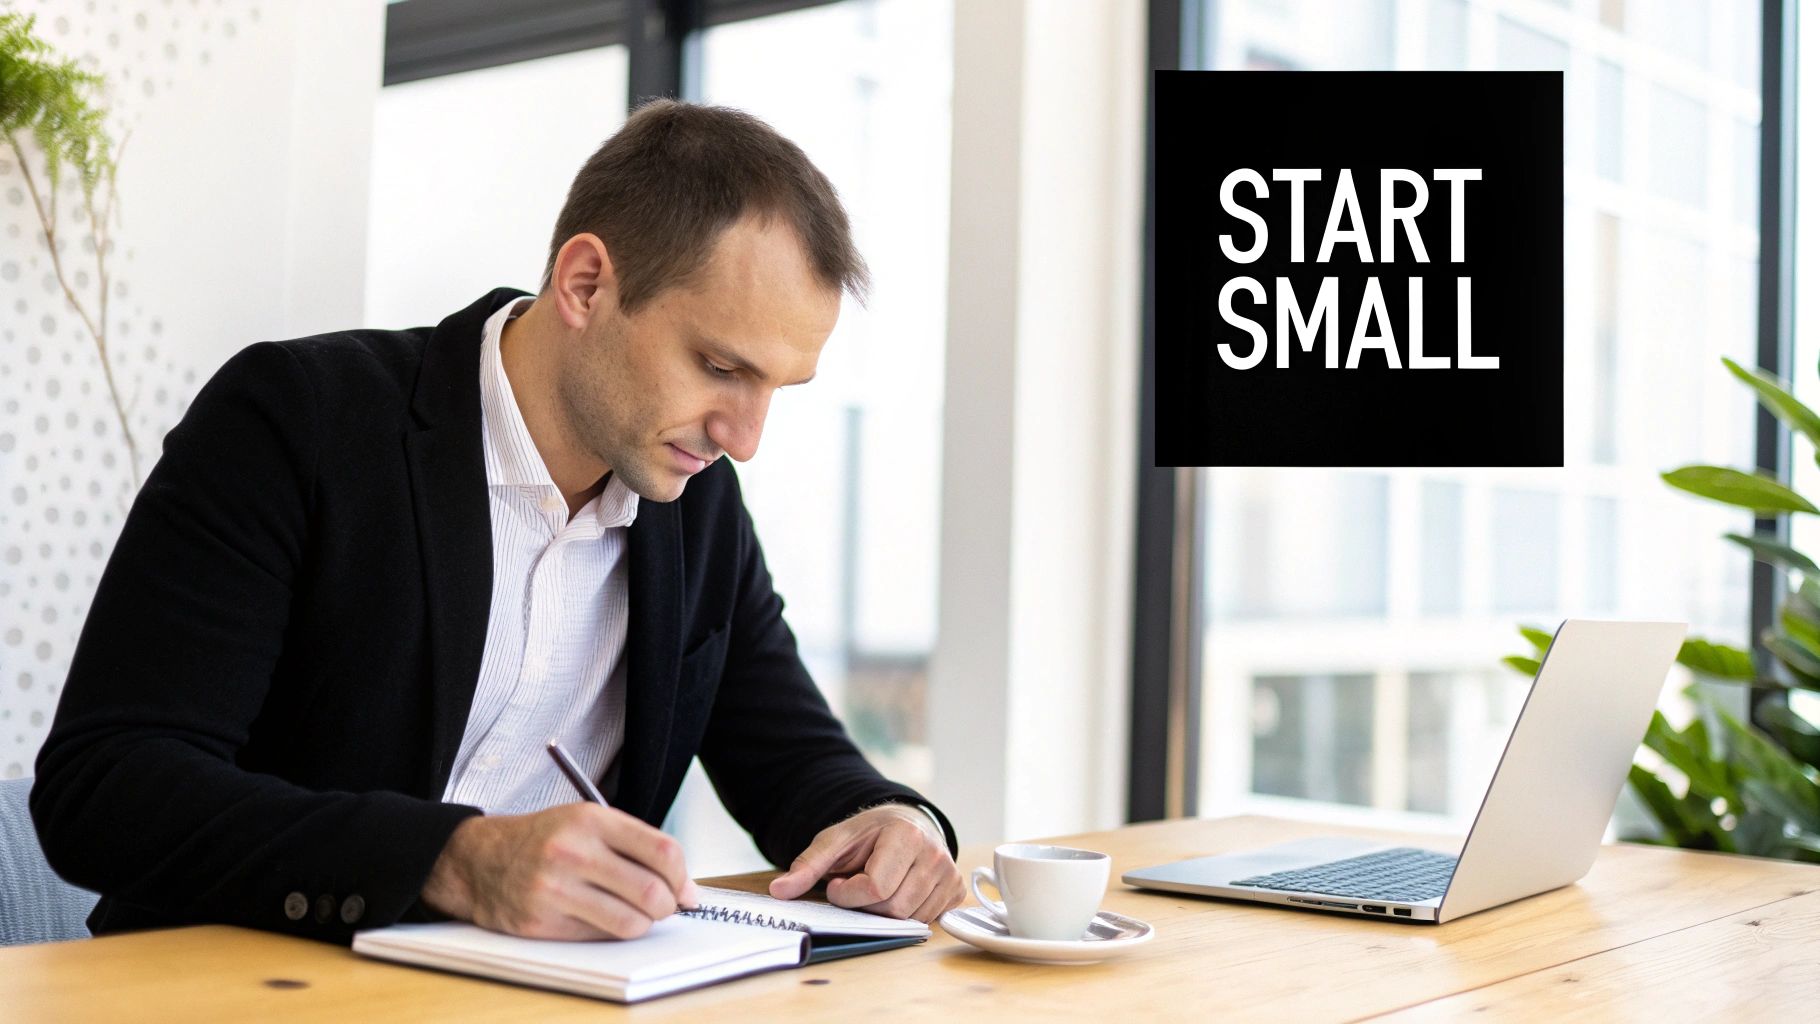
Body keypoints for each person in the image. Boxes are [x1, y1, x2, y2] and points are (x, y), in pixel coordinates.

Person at [31, 100, 964, 943]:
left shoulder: (694, 498)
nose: (746, 437)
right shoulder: (296, 421)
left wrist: (896, 826)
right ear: (587, 284)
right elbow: (106, 786)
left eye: (776, 388)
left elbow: (795, 760)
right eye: (721, 367)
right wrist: (455, 861)